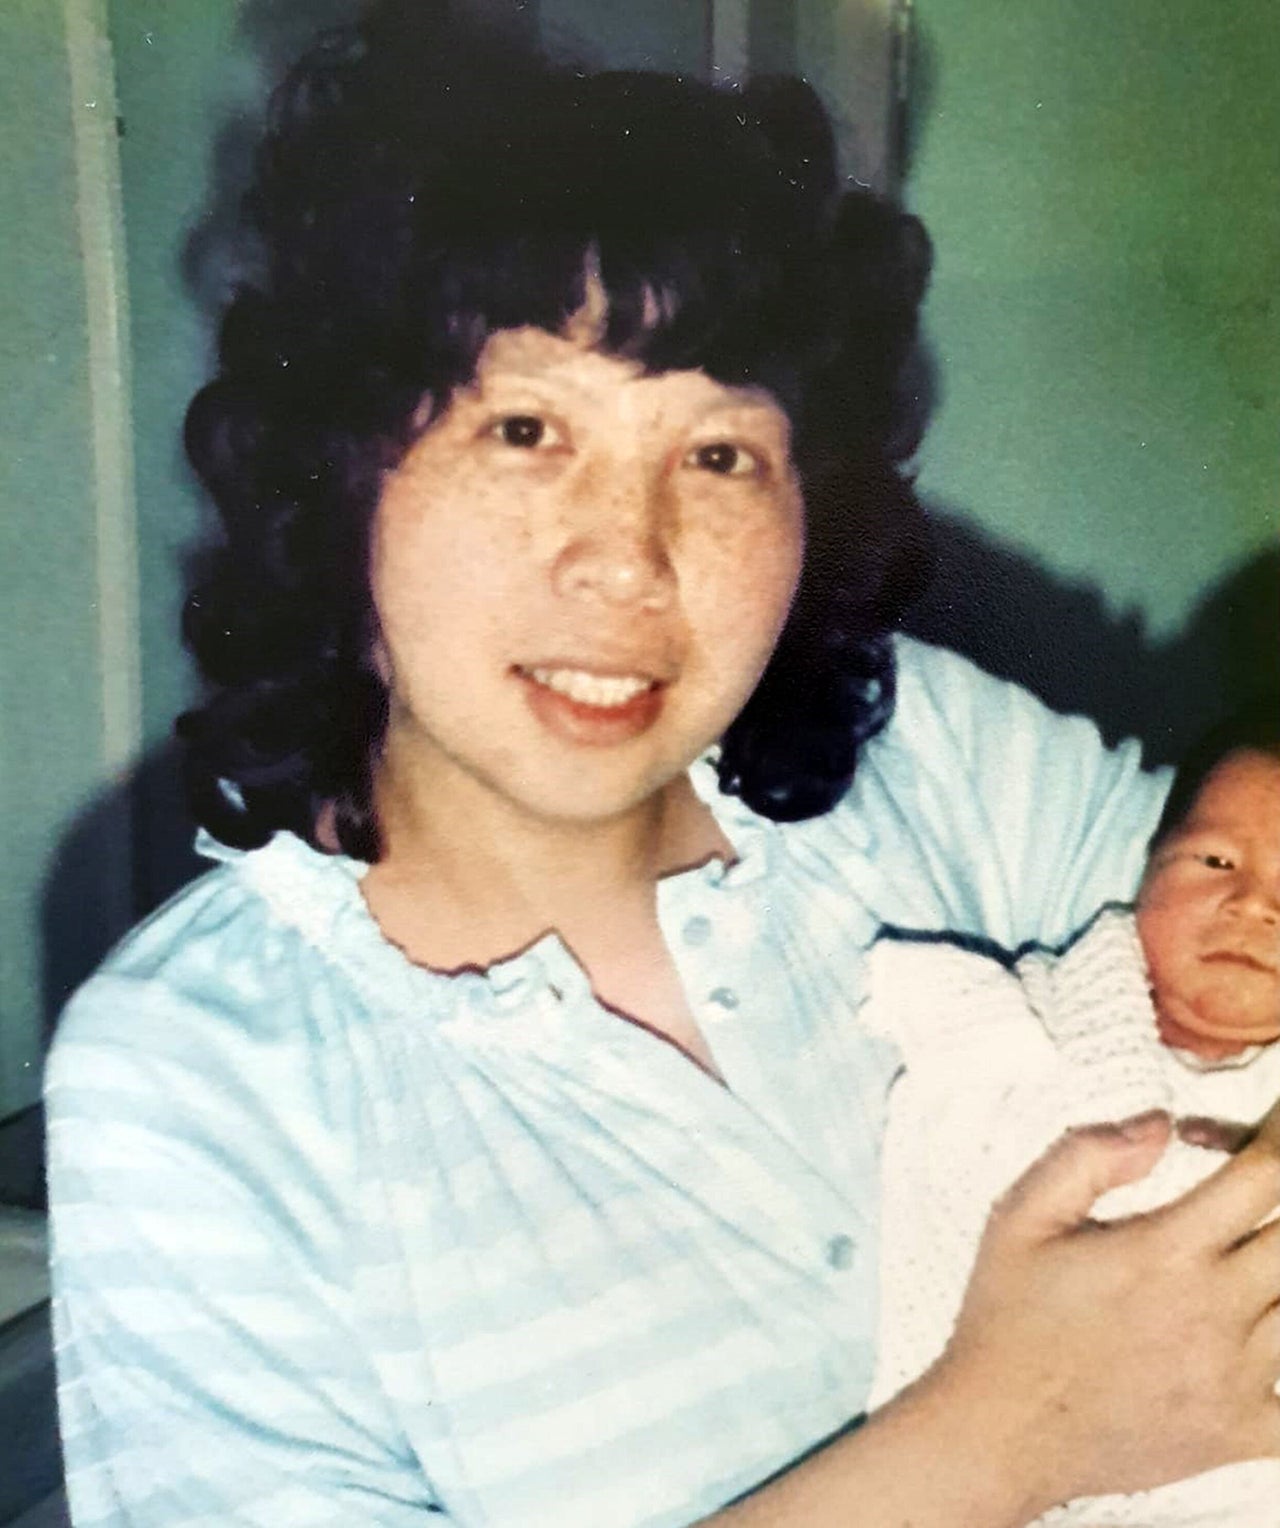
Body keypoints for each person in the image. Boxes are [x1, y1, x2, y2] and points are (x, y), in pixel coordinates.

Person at [44, 5, 1280, 1525]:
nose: (627, 562)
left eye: (717, 456)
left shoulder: (924, 755)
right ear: (342, 468)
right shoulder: (194, 1077)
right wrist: (1008, 1438)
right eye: (522, 429)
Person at [865, 706, 1280, 1523]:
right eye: (1215, 858)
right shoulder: (1015, 1020)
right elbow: (930, 1038)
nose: (1252, 906)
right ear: (1146, 867)